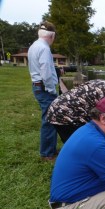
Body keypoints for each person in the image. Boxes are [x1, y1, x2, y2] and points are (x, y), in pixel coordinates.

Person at [28, 21, 59, 161]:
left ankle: (50, 150)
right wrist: (52, 89)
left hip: (37, 85)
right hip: (44, 88)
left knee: (49, 118)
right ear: (51, 36)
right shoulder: (44, 49)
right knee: (49, 119)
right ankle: (47, 154)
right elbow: (45, 71)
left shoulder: (34, 46)